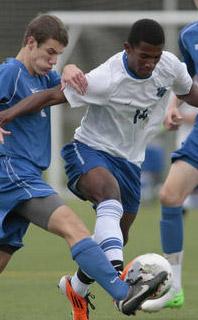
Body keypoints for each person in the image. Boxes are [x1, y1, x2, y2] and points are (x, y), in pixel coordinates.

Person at [1, 18, 196, 320]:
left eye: (58, 55)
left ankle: (76, 288)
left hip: (127, 162)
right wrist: (3, 117)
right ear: (127, 49)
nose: (149, 64)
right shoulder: (15, 72)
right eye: (50, 52)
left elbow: (55, 87)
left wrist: (66, 68)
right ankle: (122, 290)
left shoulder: (44, 75)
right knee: (83, 222)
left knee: (117, 234)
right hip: (53, 161)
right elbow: (53, 97)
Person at [141, 18, 198, 312]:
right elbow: (185, 79)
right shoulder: (189, 34)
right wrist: (173, 106)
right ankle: (174, 287)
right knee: (170, 195)